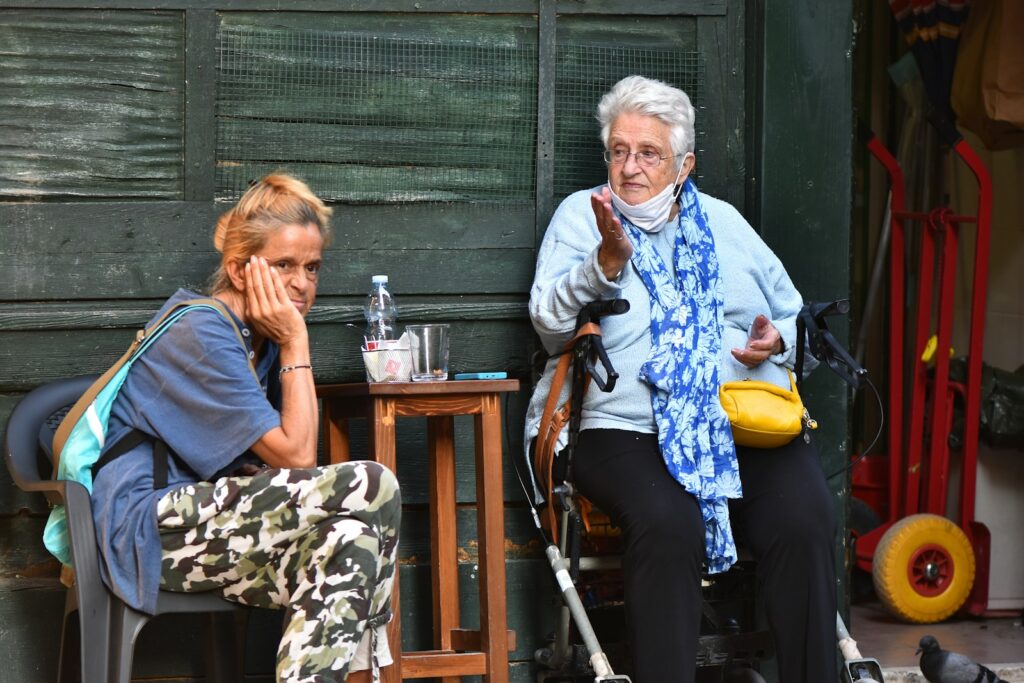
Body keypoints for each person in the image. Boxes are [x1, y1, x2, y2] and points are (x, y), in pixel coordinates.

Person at [525, 76, 836, 682]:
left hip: (735, 419)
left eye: (649, 153)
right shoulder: (581, 218)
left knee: (804, 516)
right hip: (622, 425)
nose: (630, 167)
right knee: (668, 523)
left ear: (684, 163)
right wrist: (603, 266)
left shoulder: (727, 223)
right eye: (619, 150)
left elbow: (795, 315)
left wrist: (781, 339)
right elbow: (547, 323)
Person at [90, 174, 400, 683]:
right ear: (239, 270)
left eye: (312, 268)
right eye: (283, 266)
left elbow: (286, 463)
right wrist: (298, 343)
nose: (301, 284)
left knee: (349, 536)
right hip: (145, 528)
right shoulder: (202, 330)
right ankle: (371, 668)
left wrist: (286, 345)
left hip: (215, 521)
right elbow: (300, 458)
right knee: (373, 482)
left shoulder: (262, 341)